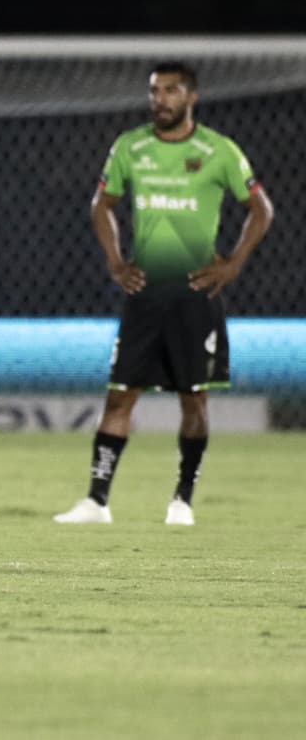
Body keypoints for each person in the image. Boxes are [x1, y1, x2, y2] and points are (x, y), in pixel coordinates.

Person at [54, 61, 274, 526]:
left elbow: (260, 208)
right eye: (155, 91)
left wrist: (233, 262)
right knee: (119, 397)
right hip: (145, 294)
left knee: (193, 399)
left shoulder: (218, 151)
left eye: (171, 91)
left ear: (191, 97)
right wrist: (116, 261)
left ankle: (182, 500)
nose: (161, 99)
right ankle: (96, 501)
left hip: (196, 293)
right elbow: (102, 204)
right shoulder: (130, 147)